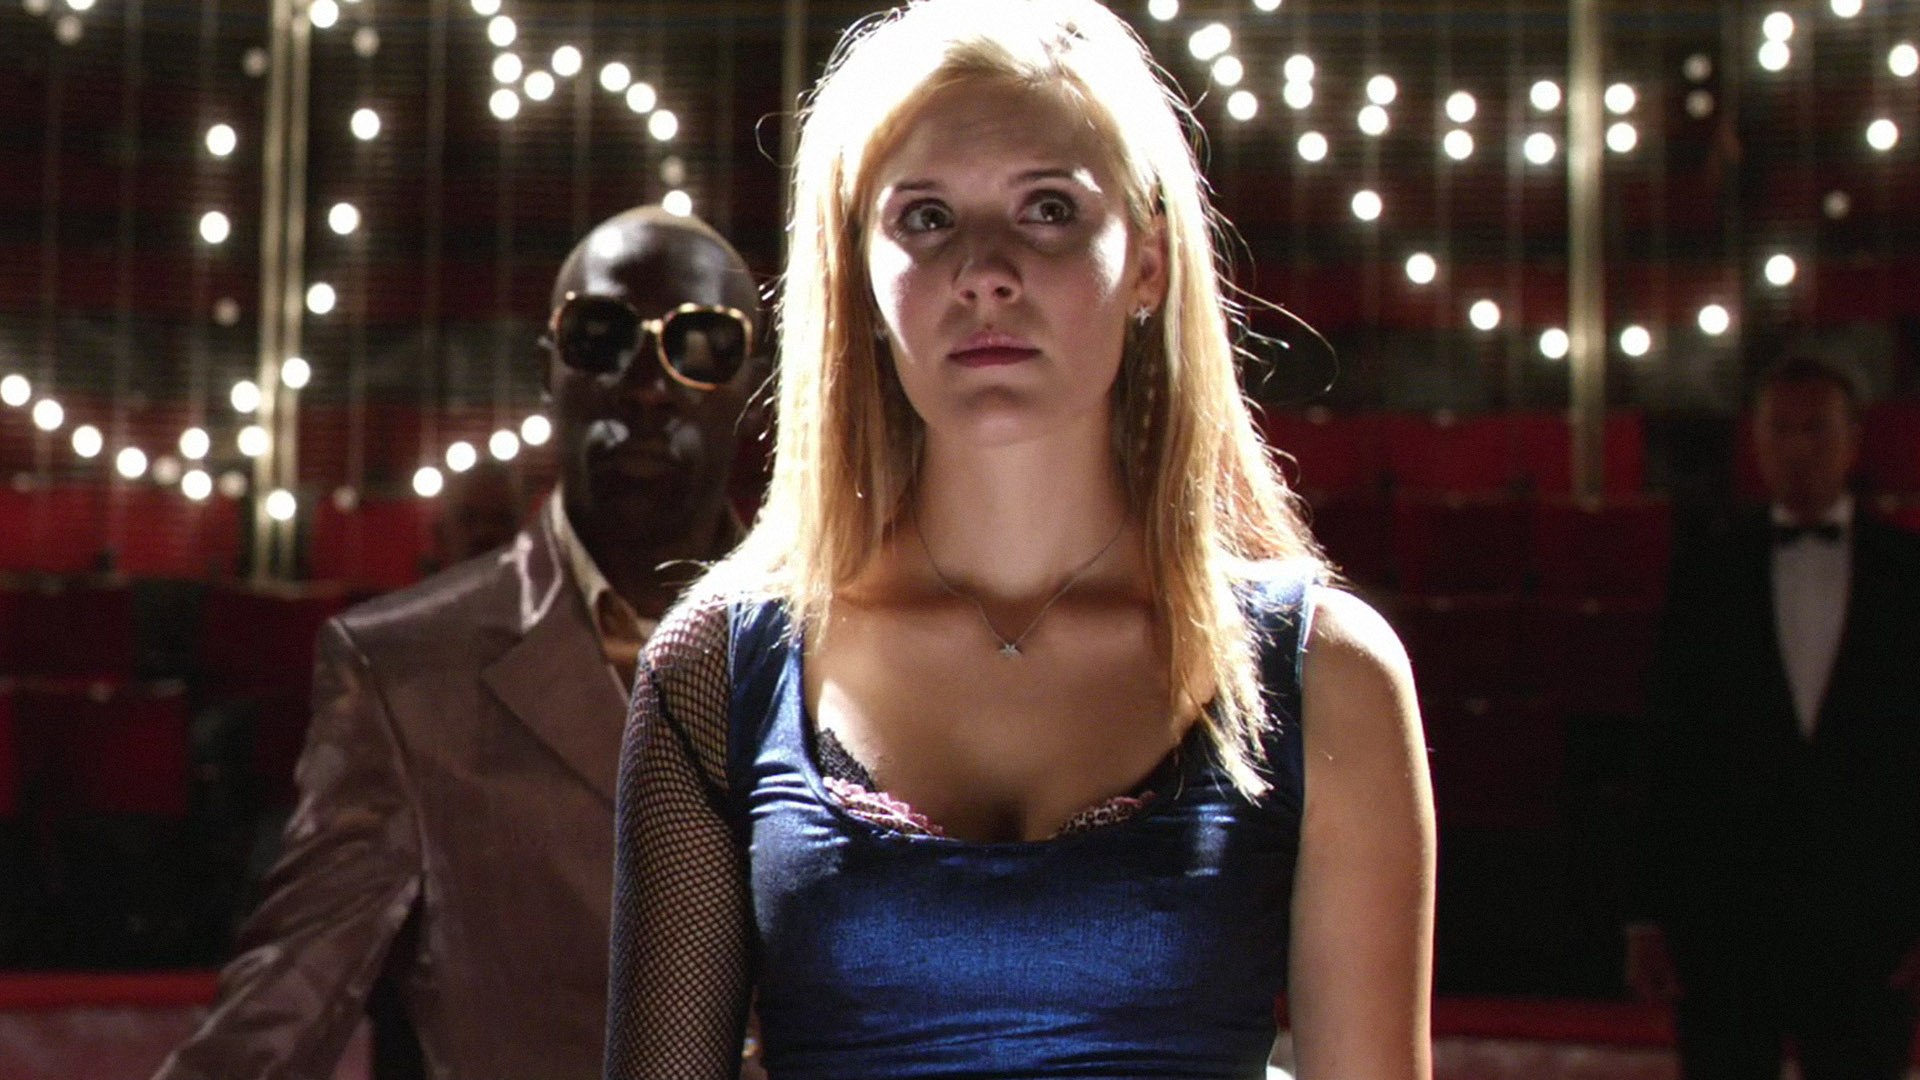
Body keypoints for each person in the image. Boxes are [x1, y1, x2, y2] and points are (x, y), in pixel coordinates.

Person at [603, 3, 1435, 1078]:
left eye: (1048, 209)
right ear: (858, 275)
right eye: (926, 218)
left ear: (1149, 261)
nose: (985, 271)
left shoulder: (1330, 674)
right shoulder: (717, 669)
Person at [153, 205, 766, 1080]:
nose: (647, 387)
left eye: (699, 344)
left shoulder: (851, 648)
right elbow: (282, 1007)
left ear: (753, 380)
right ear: (548, 369)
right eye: (602, 337)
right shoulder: (406, 674)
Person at [1627, 356, 1920, 1080]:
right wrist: (1646, 913)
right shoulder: (1706, 569)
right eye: (1780, 429)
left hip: (1870, 916)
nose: (1797, 448)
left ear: (1854, 440)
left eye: (1815, 428)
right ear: (1755, 441)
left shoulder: (1908, 573)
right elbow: (1667, 747)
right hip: (1726, 916)